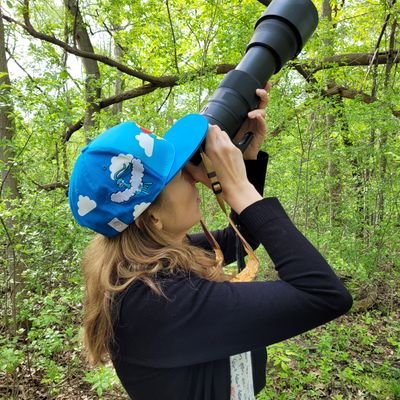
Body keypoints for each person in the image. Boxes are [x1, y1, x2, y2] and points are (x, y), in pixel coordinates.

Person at [68, 87, 352, 400]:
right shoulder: (156, 298)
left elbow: (239, 239)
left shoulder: (153, 258)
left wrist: (248, 160)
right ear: (151, 218)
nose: (193, 176)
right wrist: (238, 188)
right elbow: (324, 294)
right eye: (178, 174)